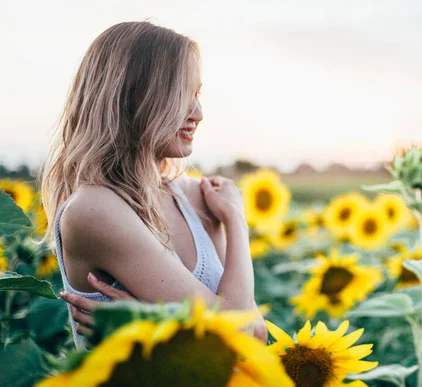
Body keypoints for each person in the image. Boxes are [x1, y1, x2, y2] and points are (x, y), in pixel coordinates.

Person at [39, 21, 265, 350]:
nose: (198, 113)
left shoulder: (196, 198)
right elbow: (240, 331)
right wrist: (236, 221)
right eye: (181, 95)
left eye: (197, 95)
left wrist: (161, 326)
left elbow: (256, 337)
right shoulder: (94, 211)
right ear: (134, 97)